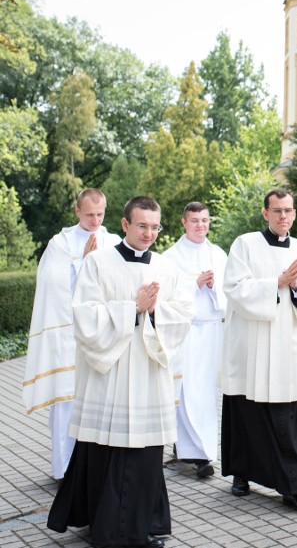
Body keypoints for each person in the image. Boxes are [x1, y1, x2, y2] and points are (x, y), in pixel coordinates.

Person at [47, 196, 195, 548]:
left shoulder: (167, 268)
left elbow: (183, 314)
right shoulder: (98, 262)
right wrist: (133, 308)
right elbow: (84, 315)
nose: (149, 233)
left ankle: (140, 524)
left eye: (155, 227)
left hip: (147, 375)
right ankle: (111, 529)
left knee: (144, 454)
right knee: (105, 450)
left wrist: (156, 311)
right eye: (142, 225)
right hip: (109, 378)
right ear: (125, 224)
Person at [220, 188, 297, 514]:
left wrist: (294, 286)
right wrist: (275, 282)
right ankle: (241, 473)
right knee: (244, 412)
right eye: (277, 210)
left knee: (288, 418)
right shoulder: (245, 244)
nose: (284, 216)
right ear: (265, 213)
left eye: (289, 211)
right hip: (250, 344)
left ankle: (295, 488)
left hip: (286, 346)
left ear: (294, 214)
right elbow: (234, 288)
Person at [23, 188, 121, 480]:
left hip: (101, 334)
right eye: (89, 214)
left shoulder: (113, 241)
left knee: (99, 400)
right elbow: (53, 284)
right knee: (67, 400)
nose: (95, 220)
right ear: (77, 212)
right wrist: (83, 261)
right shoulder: (60, 243)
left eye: (100, 214)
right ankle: (64, 469)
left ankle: (94, 469)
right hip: (69, 335)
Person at [163, 202, 227, 479]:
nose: (201, 225)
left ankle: (203, 451)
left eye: (205, 220)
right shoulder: (171, 257)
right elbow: (166, 293)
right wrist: (195, 284)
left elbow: (230, 292)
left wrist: (215, 288)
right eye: (195, 221)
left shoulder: (218, 254)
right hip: (185, 331)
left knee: (205, 392)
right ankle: (189, 450)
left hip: (211, 329)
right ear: (184, 222)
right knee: (185, 389)